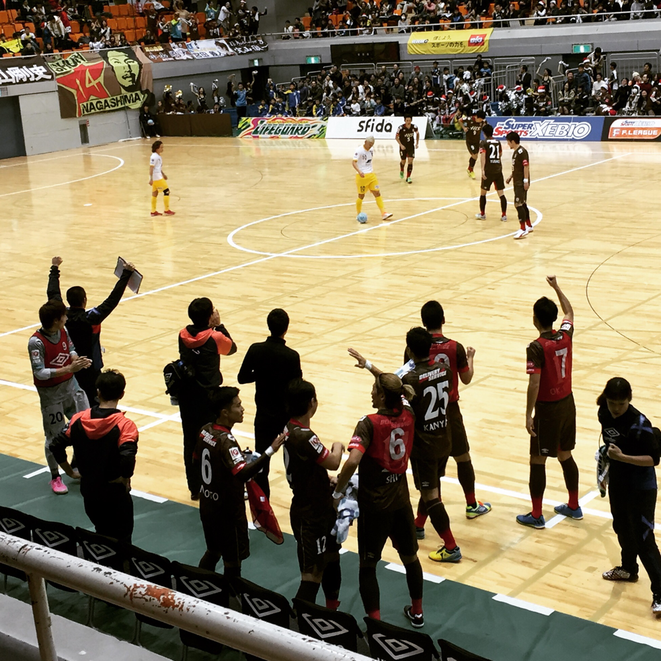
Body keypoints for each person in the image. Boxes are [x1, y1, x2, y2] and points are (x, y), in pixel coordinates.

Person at [348, 328, 462, 564]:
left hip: (425, 445)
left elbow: (391, 385)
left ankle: (451, 546)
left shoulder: (411, 378)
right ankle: (418, 524)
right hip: (445, 438)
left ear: (409, 350)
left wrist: (368, 365)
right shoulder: (446, 370)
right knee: (431, 485)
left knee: (431, 495)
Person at [332, 372, 425, 628]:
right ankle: (418, 612)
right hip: (401, 502)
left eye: (374, 389)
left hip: (375, 506)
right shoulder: (409, 413)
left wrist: (338, 491)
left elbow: (352, 461)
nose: (371, 393)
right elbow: (404, 393)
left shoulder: (369, 423)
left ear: (383, 395)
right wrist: (373, 369)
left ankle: (376, 624)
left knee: (368, 565)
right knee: (411, 559)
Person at [194, 386, 286, 577]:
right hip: (227, 512)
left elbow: (196, 460)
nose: (242, 409)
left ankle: (197, 588)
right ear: (225, 412)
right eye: (238, 405)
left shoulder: (205, 431)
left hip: (207, 505)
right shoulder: (226, 441)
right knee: (232, 562)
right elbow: (243, 474)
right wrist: (270, 450)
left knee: (213, 551)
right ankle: (231, 604)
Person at [414, 300, 490, 531]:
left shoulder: (415, 347)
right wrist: (471, 358)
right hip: (449, 409)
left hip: (425, 412)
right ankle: (471, 504)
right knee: (463, 457)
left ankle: (419, 524)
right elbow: (466, 379)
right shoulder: (455, 347)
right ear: (443, 319)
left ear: (423, 322)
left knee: (433, 470)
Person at [517, 276, 580, 529]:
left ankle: (536, 514)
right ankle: (574, 505)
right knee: (565, 454)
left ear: (535, 319)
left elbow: (534, 384)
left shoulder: (536, 347)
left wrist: (528, 414)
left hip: (548, 408)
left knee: (537, 460)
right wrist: (556, 287)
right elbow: (570, 312)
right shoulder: (565, 335)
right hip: (568, 403)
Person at [597, 377, 661, 618]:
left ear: (629, 400)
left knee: (644, 538)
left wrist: (623, 458)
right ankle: (628, 569)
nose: (616, 408)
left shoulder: (640, 424)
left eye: (621, 404)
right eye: (612, 402)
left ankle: (660, 592)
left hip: (641, 486)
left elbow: (653, 460)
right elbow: (610, 444)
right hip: (619, 482)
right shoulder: (603, 412)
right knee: (622, 527)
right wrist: (605, 468)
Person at [50, 370, 138, 544]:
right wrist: (124, 478)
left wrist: (70, 472)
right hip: (115, 494)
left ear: (98, 392)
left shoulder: (78, 419)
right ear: (121, 394)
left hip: (90, 491)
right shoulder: (125, 426)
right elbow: (127, 460)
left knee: (101, 533)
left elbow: (55, 445)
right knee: (122, 540)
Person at [284, 379, 344, 607]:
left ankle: (331, 612)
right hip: (310, 514)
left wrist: (323, 480)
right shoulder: (304, 435)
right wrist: (338, 445)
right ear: (312, 403)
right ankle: (296, 625)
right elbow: (333, 461)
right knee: (312, 574)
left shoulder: (290, 427)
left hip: (319, 507)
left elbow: (306, 466)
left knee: (331, 559)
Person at [46, 256, 136, 405]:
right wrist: (126, 274)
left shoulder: (62, 315)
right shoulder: (91, 318)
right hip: (90, 369)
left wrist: (54, 268)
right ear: (84, 300)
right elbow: (112, 300)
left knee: (74, 404)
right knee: (93, 404)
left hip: (69, 367)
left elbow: (53, 293)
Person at [237, 309, 301, 498]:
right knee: (295, 461)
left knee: (262, 461)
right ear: (286, 329)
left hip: (264, 415)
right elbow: (296, 386)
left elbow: (242, 377)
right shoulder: (291, 356)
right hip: (286, 418)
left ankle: (262, 503)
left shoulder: (256, 349)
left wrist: (262, 373)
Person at [28, 299, 91, 495]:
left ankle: (81, 465)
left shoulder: (63, 331)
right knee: (54, 437)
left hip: (71, 387)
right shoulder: (36, 342)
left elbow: (70, 348)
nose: (67, 316)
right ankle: (55, 476)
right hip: (51, 395)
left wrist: (76, 359)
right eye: (64, 315)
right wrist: (67, 368)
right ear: (56, 320)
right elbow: (39, 372)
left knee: (86, 424)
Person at [178, 298, 236, 500]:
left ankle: (194, 488)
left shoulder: (182, 334)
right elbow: (231, 348)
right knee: (214, 440)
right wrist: (219, 325)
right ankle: (214, 484)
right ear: (210, 316)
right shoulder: (214, 336)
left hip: (187, 395)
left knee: (190, 441)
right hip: (209, 397)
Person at [353, 136, 393, 223]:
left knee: (377, 193)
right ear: (365, 141)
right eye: (370, 144)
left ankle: (384, 213)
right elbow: (354, 162)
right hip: (362, 177)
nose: (371, 146)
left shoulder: (371, 150)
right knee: (361, 196)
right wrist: (359, 171)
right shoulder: (359, 150)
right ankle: (358, 214)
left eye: (372, 145)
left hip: (371, 175)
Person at [475, 123, 507, 222]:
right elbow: (500, 154)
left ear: (484, 133)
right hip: (498, 170)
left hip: (488, 170)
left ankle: (483, 214)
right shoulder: (497, 142)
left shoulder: (483, 143)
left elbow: (483, 156)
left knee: (483, 193)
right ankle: (504, 215)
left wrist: (483, 170)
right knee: (501, 194)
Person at [505, 131, 533, 240]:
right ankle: (529, 225)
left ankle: (522, 228)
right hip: (516, 180)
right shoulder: (516, 152)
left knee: (518, 204)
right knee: (523, 203)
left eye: (508, 142)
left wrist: (525, 180)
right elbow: (517, 168)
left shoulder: (522, 152)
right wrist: (511, 176)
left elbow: (526, 166)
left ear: (512, 141)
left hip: (520, 182)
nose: (508, 144)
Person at [149, 140, 175, 217]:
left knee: (155, 193)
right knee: (166, 191)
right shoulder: (154, 157)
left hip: (158, 176)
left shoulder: (158, 156)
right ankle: (167, 210)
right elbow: (151, 168)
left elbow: (158, 167)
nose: (162, 149)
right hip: (157, 178)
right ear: (157, 148)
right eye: (161, 147)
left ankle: (153, 211)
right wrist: (150, 179)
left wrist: (163, 174)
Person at [458, 109, 485, 179]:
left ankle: (469, 169)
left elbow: (485, 126)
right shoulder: (469, 119)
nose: (481, 121)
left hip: (477, 141)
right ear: (477, 117)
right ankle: (471, 170)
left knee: (475, 156)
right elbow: (460, 120)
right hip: (470, 141)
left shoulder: (483, 122)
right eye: (480, 119)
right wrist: (464, 128)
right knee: (474, 155)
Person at [396, 114, 419, 184]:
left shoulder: (414, 127)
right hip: (403, 146)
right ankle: (402, 169)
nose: (408, 122)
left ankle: (408, 177)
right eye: (407, 120)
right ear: (404, 121)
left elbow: (418, 133)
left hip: (410, 146)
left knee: (410, 160)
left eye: (409, 120)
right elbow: (396, 137)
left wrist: (417, 143)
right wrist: (401, 145)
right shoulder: (400, 128)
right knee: (403, 161)